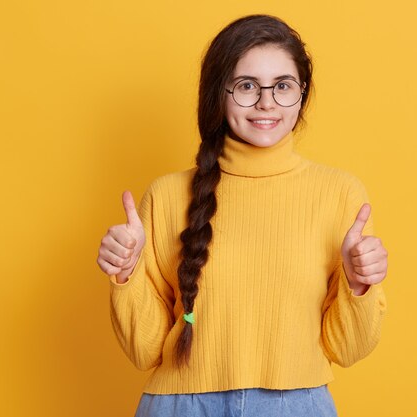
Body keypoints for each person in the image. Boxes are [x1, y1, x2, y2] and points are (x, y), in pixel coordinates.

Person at [96, 14, 389, 417]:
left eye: (283, 86)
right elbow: (144, 351)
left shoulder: (340, 194)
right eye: (247, 85)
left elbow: (347, 349)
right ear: (219, 93)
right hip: (181, 406)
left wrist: (359, 285)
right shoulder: (165, 197)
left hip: (297, 405)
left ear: (302, 94)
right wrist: (126, 275)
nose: (266, 102)